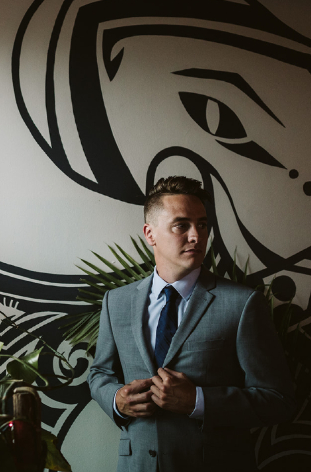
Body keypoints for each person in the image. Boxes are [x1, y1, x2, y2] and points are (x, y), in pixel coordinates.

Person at [87, 175, 296, 472]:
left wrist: (198, 401)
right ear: (150, 234)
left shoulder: (243, 304)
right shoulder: (116, 302)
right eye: (181, 225)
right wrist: (117, 400)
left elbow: (278, 400)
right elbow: (99, 374)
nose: (197, 236)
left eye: (203, 224)